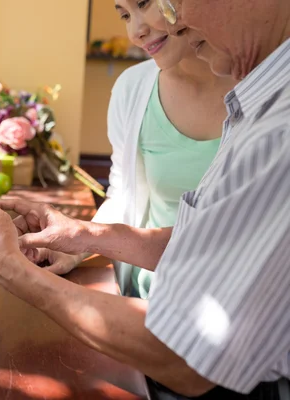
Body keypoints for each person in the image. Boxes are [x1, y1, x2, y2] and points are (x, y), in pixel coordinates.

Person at [0, 0, 290, 397]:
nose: (173, 21)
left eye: (165, 4)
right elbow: (214, 240)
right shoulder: (254, 102)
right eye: (125, 14)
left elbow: (185, 354)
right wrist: (85, 235)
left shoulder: (276, 129)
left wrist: (8, 267)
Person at [43, 0, 236, 299]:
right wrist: (75, 250)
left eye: (144, 3)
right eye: (124, 15)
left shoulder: (263, 92)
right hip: (146, 297)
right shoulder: (133, 88)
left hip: (231, 307)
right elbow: (122, 194)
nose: (136, 32)